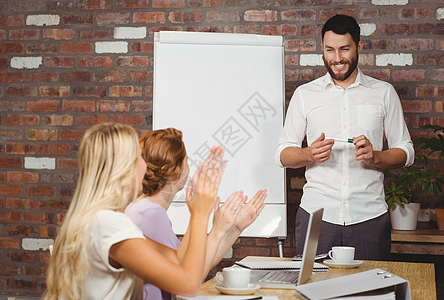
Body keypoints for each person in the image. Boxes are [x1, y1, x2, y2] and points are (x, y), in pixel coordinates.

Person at [276, 14, 414, 260]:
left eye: (344, 49)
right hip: (316, 216)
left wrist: (376, 157)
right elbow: (283, 153)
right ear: (323, 49)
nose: (337, 58)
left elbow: (406, 151)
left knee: (371, 294)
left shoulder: (383, 93)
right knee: (312, 293)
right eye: (329, 50)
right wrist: (309, 153)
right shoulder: (305, 94)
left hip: (369, 218)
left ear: (359, 47)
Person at [44, 123, 225, 300]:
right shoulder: (109, 224)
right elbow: (188, 286)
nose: (146, 167)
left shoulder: (99, 219)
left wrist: (197, 210)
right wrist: (201, 215)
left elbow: (177, 259)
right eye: (140, 157)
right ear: (123, 167)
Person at [125, 128, 267, 300]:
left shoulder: (144, 208)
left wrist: (235, 227)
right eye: (186, 160)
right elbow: (189, 279)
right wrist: (214, 227)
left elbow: (193, 263)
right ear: (177, 170)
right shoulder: (152, 215)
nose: (189, 167)